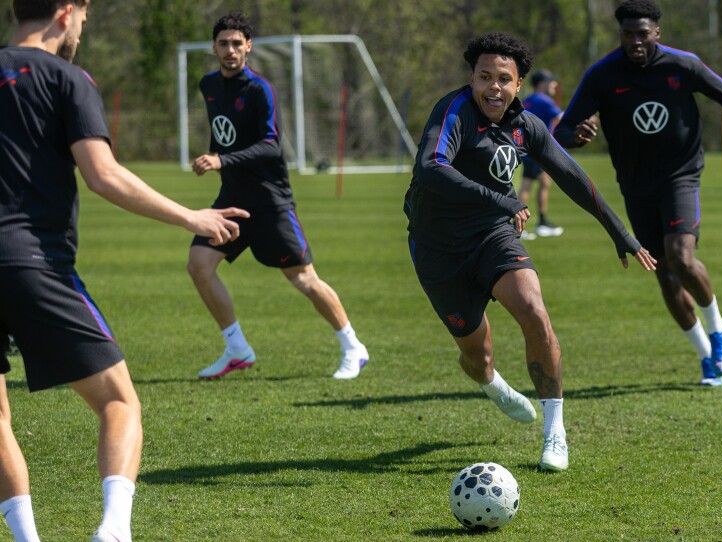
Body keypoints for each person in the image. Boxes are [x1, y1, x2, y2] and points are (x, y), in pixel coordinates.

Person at [0, 2, 248, 541]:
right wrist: (192, 215)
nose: (83, 28)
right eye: (85, 16)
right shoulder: (66, 78)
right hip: (32, 262)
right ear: (66, 12)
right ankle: (113, 532)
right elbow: (103, 175)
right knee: (118, 401)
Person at [404, 32, 656, 472]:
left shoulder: (526, 126)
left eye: (504, 79)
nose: (493, 87)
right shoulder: (453, 110)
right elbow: (431, 168)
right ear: (472, 78)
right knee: (476, 355)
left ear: (519, 85)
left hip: (493, 236)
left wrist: (619, 232)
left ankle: (554, 431)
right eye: (485, 77)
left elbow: (571, 175)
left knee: (535, 311)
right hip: (437, 248)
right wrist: (502, 199)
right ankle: (494, 385)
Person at [554, 0, 722, 386]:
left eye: (642, 34)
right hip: (635, 185)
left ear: (657, 33)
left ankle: (717, 330)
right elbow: (562, 131)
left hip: (681, 175)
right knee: (664, 272)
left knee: (682, 257)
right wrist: (576, 136)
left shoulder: (682, 66)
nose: (635, 42)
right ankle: (705, 357)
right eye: (628, 35)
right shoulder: (602, 75)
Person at [188, 12, 369, 381]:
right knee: (199, 266)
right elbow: (223, 134)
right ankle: (237, 347)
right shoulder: (208, 85)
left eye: (237, 43)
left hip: (270, 202)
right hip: (231, 199)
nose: (230, 50)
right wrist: (212, 157)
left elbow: (271, 146)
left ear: (248, 47)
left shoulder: (259, 90)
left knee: (303, 279)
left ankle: (353, 346)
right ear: (214, 47)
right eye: (223, 43)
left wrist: (221, 159)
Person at [518, 69, 564, 239]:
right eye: (550, 81)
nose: (554, 84)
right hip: (537, 150)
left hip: (527, 147)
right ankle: (523, 224)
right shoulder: (544, 100)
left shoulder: (528, 100)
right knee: (528, 184)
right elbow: (561, 117)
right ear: (541, 84)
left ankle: (539, 222)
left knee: (541, 182)